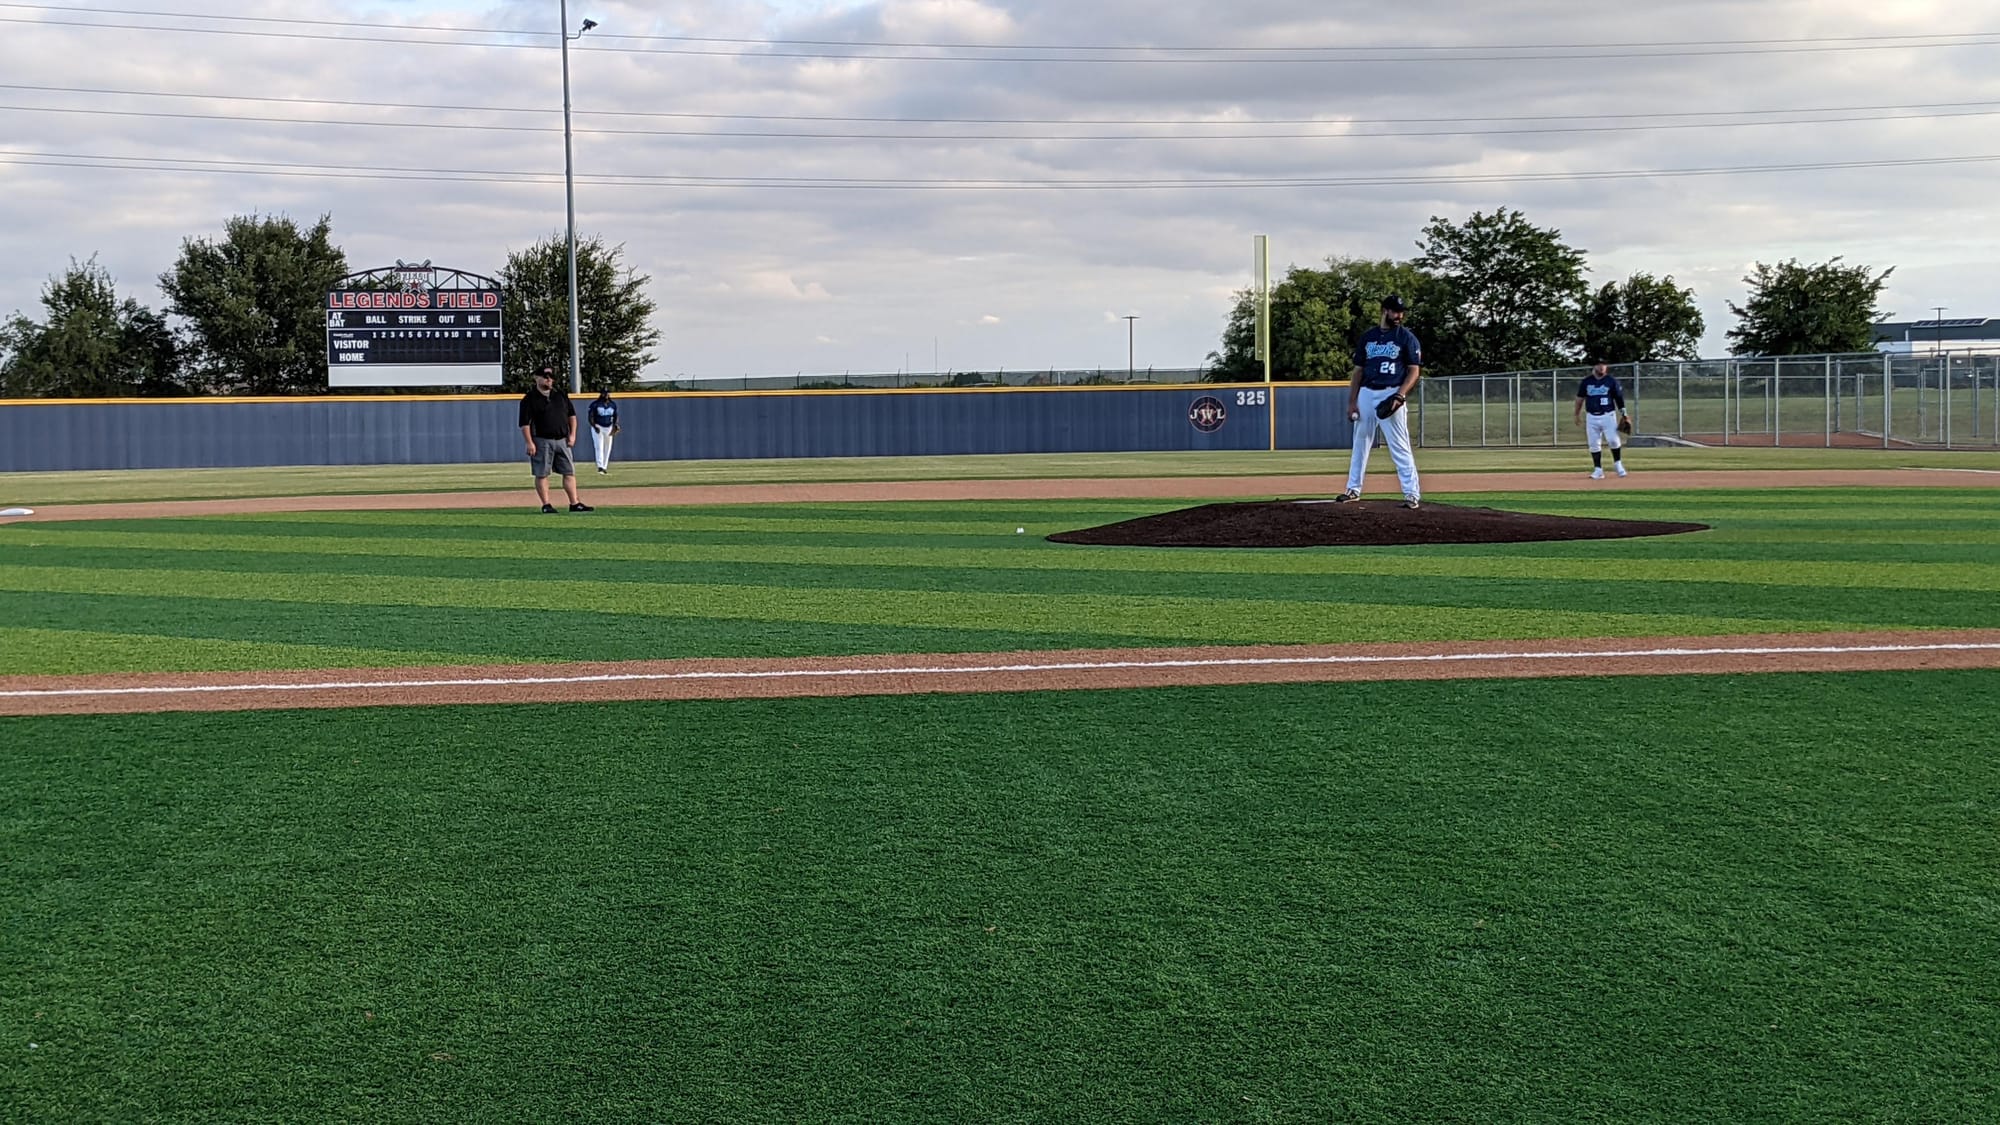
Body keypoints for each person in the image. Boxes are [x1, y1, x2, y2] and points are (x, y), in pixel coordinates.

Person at [1334, 293, 1424, 509]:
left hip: (1391, 391)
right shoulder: (1368, 337)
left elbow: (1414, 371)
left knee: (1399, 445)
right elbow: (1358, 371)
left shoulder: (1406, 337)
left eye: (1401, 312)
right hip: (1367, 392)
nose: (1399, 315)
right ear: (1385, 310)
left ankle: (1411, 494)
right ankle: (1353, 489)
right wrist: (1352, 401)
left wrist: (1400, 395)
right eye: (1395, 311)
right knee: (1360, 442)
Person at [519, 365, 593, 512]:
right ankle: (546, 505)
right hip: (541, 440)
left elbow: (572, 416)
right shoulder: (529, 399)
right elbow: (524, 423)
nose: (548, 380)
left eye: (550, 377)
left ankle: (574, 503)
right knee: (542, 473)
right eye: (545, 377)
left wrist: (572, 435)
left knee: (569, 472)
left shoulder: (560, 395)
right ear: (537, 378)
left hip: (562, 440)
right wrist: (529, 442)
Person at [1573, 360, 1631, 479]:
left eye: (1604, 365)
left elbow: (1619, 399)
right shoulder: (1586, 382)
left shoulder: (1611, 381)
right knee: (1594, 444)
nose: (1602, 367)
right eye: (1599, 364)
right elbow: (1580, 399)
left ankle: (1618, 465)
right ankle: (1598, 470)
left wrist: (1624, 414)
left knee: (1613, 440)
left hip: (1608, 415)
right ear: (1594, 366)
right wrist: (1576, 414)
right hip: (1591, 416)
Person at [587, 389, 620, 474]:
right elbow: (590, 417)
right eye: (605, 393)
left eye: (608, 393)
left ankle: (605, 466)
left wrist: (615, 425)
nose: (607, 395)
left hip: (609, 427)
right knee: (599, 447)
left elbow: (615, 416)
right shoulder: (595, 404)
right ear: (601, 394)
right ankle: (600, 466)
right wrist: (594, 426)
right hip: (598, 426)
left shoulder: (612, 404)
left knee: (607, 447)